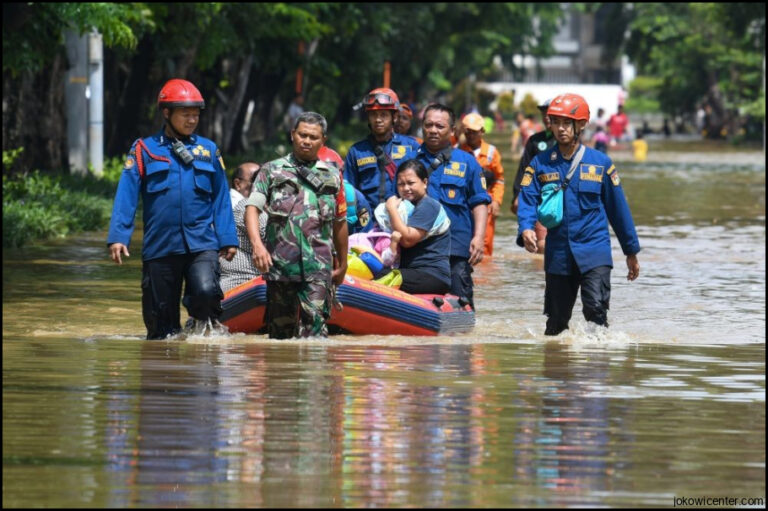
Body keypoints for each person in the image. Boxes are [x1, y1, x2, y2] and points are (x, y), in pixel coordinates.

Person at [107, 78, 238, 339]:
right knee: (161, 328)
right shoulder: (144, 149)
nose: (192, 120)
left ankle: (201, 336)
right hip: (161, 245)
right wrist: (119, 236)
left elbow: (221, 197)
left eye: (196, 115)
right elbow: (127, 193)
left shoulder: (208, 150)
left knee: (205, 292)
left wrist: (227, 238)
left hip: (202, 242)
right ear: (166, 113)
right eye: (185, 114)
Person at [516, 93, 641, 336]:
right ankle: (556, 360)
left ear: (581, 124)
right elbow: (527, 199)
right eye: (556, 122)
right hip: (558, 254)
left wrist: (631, 252)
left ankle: (596, 359)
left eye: (567, 123)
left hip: (595, 251)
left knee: (596, 313)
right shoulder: (540, 164)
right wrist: (526, 227)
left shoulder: (601, 163)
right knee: (556, 323)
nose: (560, 129)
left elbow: (619, 211)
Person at [244, 111, 348, 339]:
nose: (307, 141)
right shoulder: (271, 171)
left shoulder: (333, 176)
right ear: (293, 134)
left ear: (323, 140)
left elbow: (340, 222)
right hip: (280, 266)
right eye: (302, 135)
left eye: (313, 137)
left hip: (318, 266)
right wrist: (257, 246)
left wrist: (343, 263)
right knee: (280, 337)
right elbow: (252, 208)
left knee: (316, 334)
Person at [414, 103, 491, 309]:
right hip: (417, 250)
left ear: (452, 130)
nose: (433, 130)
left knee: (462, 308)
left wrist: (479, 237)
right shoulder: (409, 161)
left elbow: (480, 202)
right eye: (428, 125)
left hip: (455, 250)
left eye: (440, 126)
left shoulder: (468, 162)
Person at [344, 88, 420, 214]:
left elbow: (422, 188)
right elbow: (349, 191)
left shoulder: (411, 146)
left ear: (394, 117)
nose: (378, 120)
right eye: (373, 115)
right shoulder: (356, 151)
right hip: (368, 221)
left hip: (404, 219)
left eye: (383, 115)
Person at [384, 159, 451, 295]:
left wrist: (391, 209)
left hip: (432, 274)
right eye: (401, 184)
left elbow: (407, 240)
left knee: (385, 277)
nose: (406, 188)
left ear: (425, 183)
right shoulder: (405, 207)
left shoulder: (428, 205)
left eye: (411, 183)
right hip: (411, 271)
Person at [510, 99, 556, 254]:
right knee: (541, 245)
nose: (546, 118)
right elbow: (524, 169)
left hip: (561, 198)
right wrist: (518, 194)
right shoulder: (534, 141)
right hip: (539, 198)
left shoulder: (569, 141)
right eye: (544, 114)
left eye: (550, 114)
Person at [458, 112, 504, 256]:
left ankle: (485, 270)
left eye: (474, 131)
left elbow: (499, 179)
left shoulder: (492, 152)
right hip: (463, 202)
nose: (471, 135)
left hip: (486, 202)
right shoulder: (457, 150)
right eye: (468, 131)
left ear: (482, 131)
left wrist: (496, 201)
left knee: (485, 244)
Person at [220, 162, 266, 292]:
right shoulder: (243, 206)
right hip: (244, 284)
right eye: (255, 180)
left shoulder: (226, 204)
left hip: (239, 284)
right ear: (238, 184)